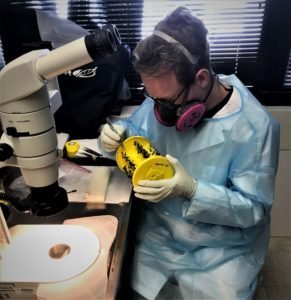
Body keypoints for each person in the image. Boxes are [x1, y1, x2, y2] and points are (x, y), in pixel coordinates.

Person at [99, 6, 280, 300]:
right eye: (152, 97)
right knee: (119, 286)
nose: (160, 109)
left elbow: (254, 209)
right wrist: (116, 138)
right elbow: (140, 133)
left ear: (202, 78)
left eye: (168, 100)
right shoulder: (163, 100)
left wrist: (193, 191)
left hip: (223, 249)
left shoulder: (255, 127)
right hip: (159, 234)